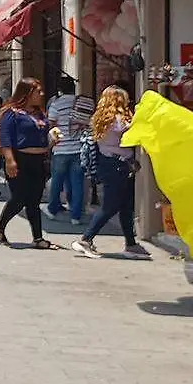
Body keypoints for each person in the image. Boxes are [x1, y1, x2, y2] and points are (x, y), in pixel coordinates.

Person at [71, 87, 151, 259]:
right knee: (110, 205)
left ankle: (131, 243)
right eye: (125, 99)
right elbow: (131, 129)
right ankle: (86, 239)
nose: (128, 102)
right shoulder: (117, 120)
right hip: (117, 165)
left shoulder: (100, 118)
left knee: (124, 206)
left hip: (110, 164)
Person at [0, 78, 62, 250]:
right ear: (27, 92)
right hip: (19, 159)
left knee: (34, 200)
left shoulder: (39, 114)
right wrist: (10, 160)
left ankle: (37, 237)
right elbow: (5, 137)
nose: (42, 94)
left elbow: (42, 135)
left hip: (39, 160)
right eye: (38, 91)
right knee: (20, 197)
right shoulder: (11, 113)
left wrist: (52, 139)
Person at [44, 76, 87, 224]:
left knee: (57, 181)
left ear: (59, 89)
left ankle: (52, 209)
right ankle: (76, 216)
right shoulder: (82, 103)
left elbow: (52, 126)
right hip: (79, 148)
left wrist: (57, 141)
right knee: (78, 183)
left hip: (61, 149)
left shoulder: (56, 104)